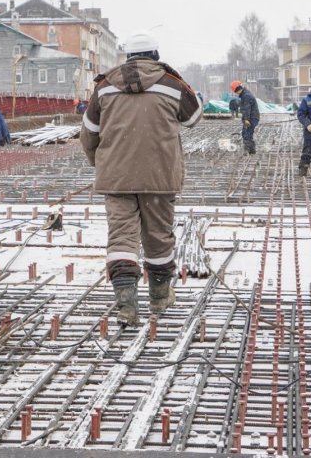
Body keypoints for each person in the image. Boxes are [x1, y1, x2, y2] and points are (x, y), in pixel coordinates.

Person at [80, 30, 201, 326]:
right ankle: (159, 299)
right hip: (159, 175)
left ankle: (126, 306)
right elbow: (194, 118)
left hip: (116, 176)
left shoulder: (105, 86)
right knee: (159, 236)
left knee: (121, 238)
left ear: (127, 56)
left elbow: (88, 134)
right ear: (155, 55)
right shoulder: (172, 84)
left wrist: (103, 163)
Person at [231, 80, 259, 154]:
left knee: (247, 134)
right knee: (245, 133)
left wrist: (246, 120)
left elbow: (247, 108)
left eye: (235, 91)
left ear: (237, 90)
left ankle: (247, 151)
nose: (236, 93)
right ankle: (251, 150)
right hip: (250, 117)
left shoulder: (246, 96)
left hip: (251, 118)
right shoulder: (244, 94)